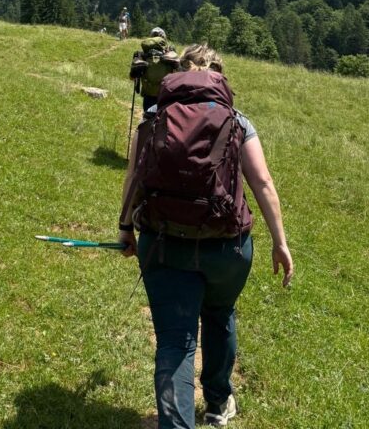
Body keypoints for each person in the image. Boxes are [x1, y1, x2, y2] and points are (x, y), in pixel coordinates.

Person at [118, 43, 293, 428]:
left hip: (164, 244)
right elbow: (262, 182)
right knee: (219, 313)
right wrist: (280, 243)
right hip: (226, 249)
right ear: (219, 75)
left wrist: (125, 227)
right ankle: (217, 404)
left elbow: (134, 178)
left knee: (175, 342)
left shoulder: (154, 118)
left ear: (178, 74)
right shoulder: (236, 120)